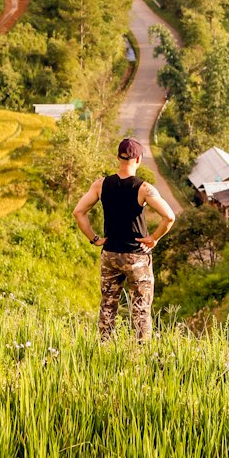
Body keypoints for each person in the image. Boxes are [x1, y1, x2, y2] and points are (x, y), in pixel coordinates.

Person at [73, 136, 176, 341]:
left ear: (118, 157)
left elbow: (78, 212)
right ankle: (140, 354)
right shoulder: (144, 188)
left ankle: (105, 348)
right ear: (138, 159)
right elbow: (169, 217)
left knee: (108, 305)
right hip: (136, 257)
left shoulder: (101, 185)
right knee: (140, 309)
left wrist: (94, 239)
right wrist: (154, 238)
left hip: (110, 254)